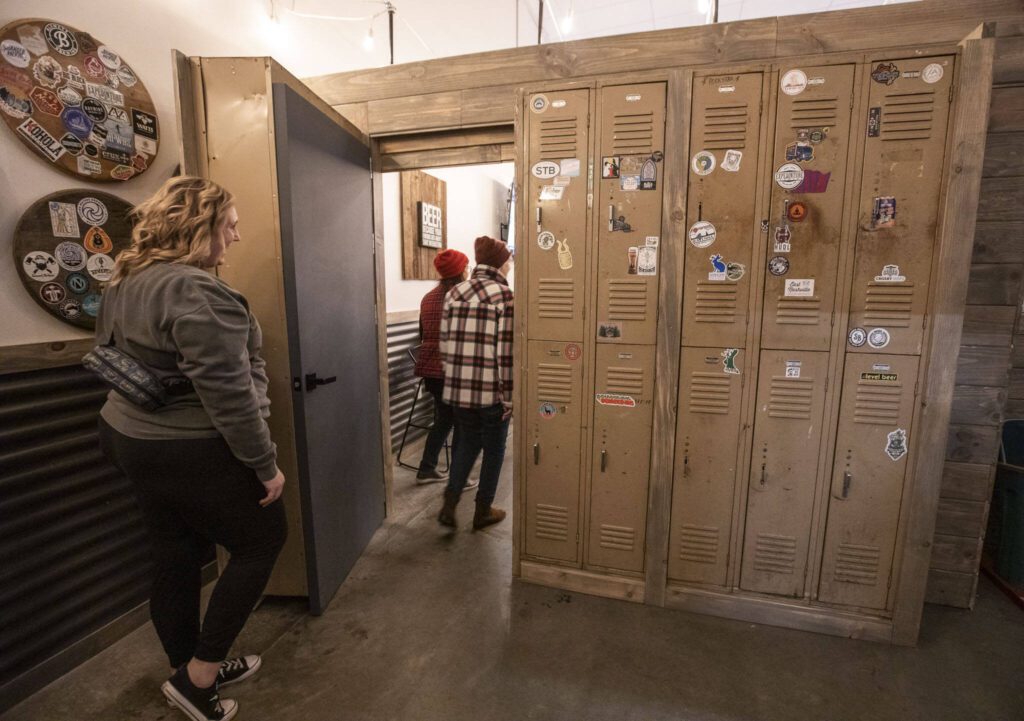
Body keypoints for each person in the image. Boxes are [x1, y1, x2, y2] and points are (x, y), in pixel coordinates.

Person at [96, 176, 286, 721]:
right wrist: (265, 466)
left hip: (125, 435)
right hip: (186, 448)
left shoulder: (125, 278)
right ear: (199, 229)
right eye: (229, 225)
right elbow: (230, 398)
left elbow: (113, 355)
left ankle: (187, 667)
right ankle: (200, 680)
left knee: (174, 552)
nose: (237, 235)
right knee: (263, 541)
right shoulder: (200, 292)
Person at [437, 235, 514, 530]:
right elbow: (505, 354)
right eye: (508, 261)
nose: (509, 266)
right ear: (501, 263)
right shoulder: (505, 297)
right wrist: (509, 397)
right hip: (491, 393)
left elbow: (444, 345)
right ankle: (482, 510)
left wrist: (454, 380)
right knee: (494, 450)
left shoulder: (455, 293)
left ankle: (450, 501)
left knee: (466, 443)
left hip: (458, 390)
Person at [412, 249, 470, 485]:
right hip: (454, 369)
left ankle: (427, 468)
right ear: (459, 272)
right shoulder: (462, 298)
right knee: (461, 423)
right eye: (466, 266)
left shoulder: (428, 297)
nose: (469, 270)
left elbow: (422, 333)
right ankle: (457, 476)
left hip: (431, 369)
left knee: (444, 420)